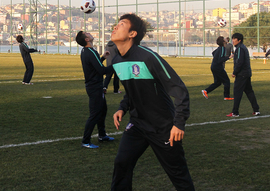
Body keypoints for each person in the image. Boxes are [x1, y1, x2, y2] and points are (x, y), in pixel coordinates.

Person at [110, 13, 194, 191]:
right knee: (121, 163)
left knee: (178, 174)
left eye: (122, 24)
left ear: (132, 34)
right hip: (138, 124)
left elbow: (179, 89)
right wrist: (122, 108)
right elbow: (132, 90)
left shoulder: (148, 57)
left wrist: (178, 123)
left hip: (163, 126)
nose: (115, 27)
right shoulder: (116, 60)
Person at [76, 31, 114, 149]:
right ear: (87, 39)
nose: (90, 34)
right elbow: (101, 70)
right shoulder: (90, 52)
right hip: (94, 87)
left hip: (94, 85)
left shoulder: (87, 51)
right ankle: (85, 141)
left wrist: (102, 57)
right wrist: (117, 65)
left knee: (102, 110)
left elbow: (94, 65)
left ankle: (102, 135)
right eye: (87, 34)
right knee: (95, 114)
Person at [227, 33, 260, 117]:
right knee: (249, 92)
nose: (233, 40)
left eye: (235, 39)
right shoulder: (242, 47)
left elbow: (240, 62)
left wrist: (235, 72)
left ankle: (235, 112)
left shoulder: (240, 49)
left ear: (239, 40)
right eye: (233, 38)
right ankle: (256, 110)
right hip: (246, 73)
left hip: (242, 74)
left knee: (237, 92)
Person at [201, 36, 233, 101]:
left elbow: (213, 53)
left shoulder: (219, 48)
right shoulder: (223, 48)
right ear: (223, 42)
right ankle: (226, 96)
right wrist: (229, 57)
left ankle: (206, 91)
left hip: (214, 66)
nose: (226, 39)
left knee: (218, 82)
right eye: (224, 39)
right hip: (218, 67)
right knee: (227, 81)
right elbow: (220, 60)